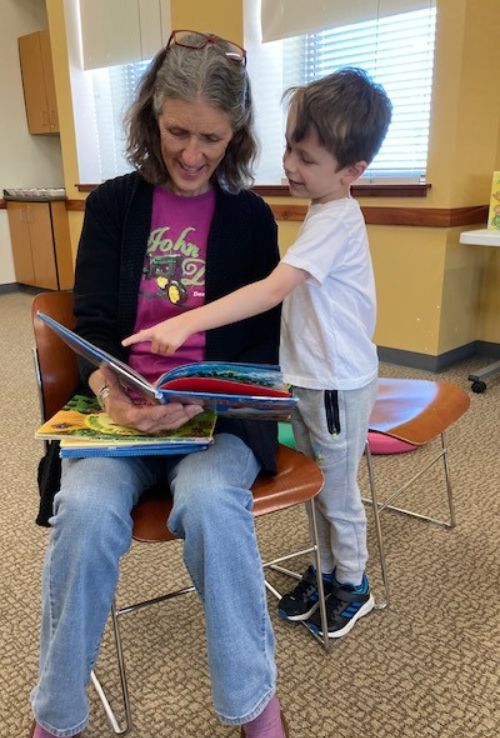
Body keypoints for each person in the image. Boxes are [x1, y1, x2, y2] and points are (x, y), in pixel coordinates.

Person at [23, 31, 293, 738]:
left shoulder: (250, 219)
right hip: (121, 412)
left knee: (211, 502)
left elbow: (254, 347)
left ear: (235, 134)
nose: (193, 153)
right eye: (178, 132)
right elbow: (98, 322)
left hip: (216, 419)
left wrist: (196, 401)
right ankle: (56, 719)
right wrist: (113, 394)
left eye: (212, 138)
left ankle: (256, 708)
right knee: (84, 511)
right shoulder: (113, 204)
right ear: (151, 116)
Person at [124, 68, 393, 641]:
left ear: (352, 172)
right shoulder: (324, 209)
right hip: (312, 378)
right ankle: (325, 572)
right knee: (321, 484)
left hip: (336, 386)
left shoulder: (336, 219)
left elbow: (271, 290)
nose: (292, 165)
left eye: (309, 158)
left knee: (338, 493)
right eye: (292, 147)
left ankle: (354, 583)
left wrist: (189, 319)